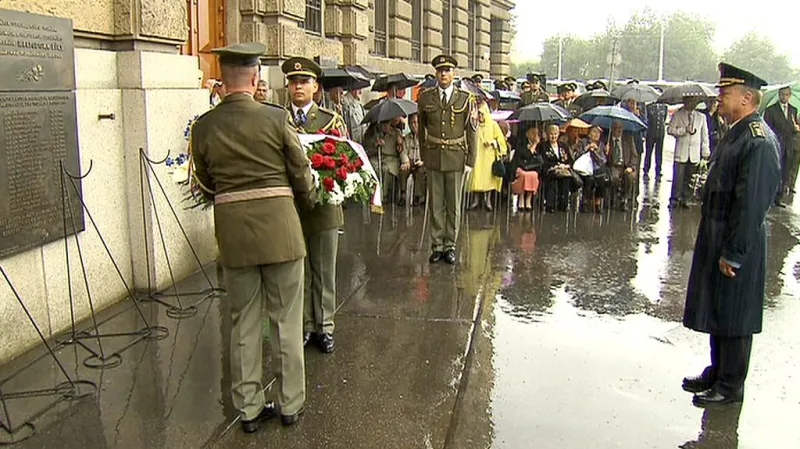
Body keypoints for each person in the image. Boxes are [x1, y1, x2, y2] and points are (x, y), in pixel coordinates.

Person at [191, 43, 314, 431]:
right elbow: (300, 171)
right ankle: (290, 403)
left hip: (235, 234)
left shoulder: (204, 126)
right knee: (286, 320)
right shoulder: (276, 120)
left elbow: (206, 182)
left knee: (243, 321)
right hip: (280, 230)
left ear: (223, 79)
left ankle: (248, 409)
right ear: (256, 75)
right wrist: (307, 198)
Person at [682, 63, 780, 407]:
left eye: (725, 93)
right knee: (719, 308)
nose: (719, 98)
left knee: (735, 314)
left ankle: (730, 385)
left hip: (737, 240)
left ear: (747, 98)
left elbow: (751, 205)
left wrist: (735, 251)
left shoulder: (758, 141)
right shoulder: (736, 131)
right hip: (718, 233)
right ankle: (718, 371)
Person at [282, 57, 347, 354]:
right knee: (300, 271)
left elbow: (345, 161)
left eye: (304, 82)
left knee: (323, 269)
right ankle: (306, 325)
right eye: (294, 82)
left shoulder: (331, 121)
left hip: (323, 205)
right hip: (290, 206)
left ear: (316, 87)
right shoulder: (277, 119)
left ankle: (325, 326)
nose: (298, 86)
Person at [417, 54, 477, 265]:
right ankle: (437, 246)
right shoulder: (425, 97)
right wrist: (424, 156)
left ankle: (450, 245)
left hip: (456, 157)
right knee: (436, 204)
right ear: (436, 73)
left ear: (454, 73)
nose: (444, 74)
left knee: (453, 205)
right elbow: (420, 130)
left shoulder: (465, 99)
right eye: (440, 71)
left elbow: (472, 131)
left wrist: (471, 160)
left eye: (447, 70)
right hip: (433, 156)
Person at [667, 96, 710, 208]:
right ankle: (675, 198)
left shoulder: (701, 117)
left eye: (694, 101)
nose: (692, 103)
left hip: (694, 153)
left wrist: (705, 152)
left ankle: (686, 198)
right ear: (685, 102)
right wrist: (683, 130)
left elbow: (704, 136)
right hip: (681, 152)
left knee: (690, 177)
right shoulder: (678, 115)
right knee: (678, 177)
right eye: (690, 101)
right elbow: (670, 130)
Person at [468, 102, 507, 211]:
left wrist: (493, 143)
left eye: (482, 114)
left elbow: (501, 142)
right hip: (477, 155)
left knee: (488, 178)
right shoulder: (474, 125)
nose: (480, 116)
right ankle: (475, 200)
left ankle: (488, 199)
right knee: (476, 177)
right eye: (478, 114)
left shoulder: (493, 125)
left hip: (489, 156)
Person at [763, 85, 800, 205]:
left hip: (788, 146)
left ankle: (778, 198)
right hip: (776, 144)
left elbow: (795, 128)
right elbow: (767, 128)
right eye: (782, 94)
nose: (784, 97)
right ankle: (770, 196)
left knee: (785, 172)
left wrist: (796, 128)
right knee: (774, 171)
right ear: (779, 95)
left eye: (786, 94)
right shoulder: (771, 110)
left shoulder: (793, 110)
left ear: (789, 95)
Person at [363, 119, 409, 204]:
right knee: (377, 169)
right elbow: (366, 150)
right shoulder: (371, 133)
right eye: (383, 124)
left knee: (386, 169)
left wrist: (405, 161)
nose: (385, 126)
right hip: (376, 157)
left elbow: (402, 150)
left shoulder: (396, 133)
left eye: (387, 124)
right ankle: (375, 194)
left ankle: (384, 195)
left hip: (391, 159)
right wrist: (375, 145)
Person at [540, 124, 574, 212]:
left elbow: (570, 160)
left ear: (558, 134)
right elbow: (543, 161)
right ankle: (550, 205)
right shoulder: (543, 146)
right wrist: (554, 167)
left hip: (563, 169)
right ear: (547, 134)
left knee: (566, 178)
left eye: (555, 134)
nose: (553, 136)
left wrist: (565, 166)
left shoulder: (563, 145)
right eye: (551, 134)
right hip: (550, 169)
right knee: (553, 178)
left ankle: (564, 204)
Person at [574, 125, 608, 212]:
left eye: (598, 133)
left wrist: (595, 152)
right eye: (594, 132)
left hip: (596, 169)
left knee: (601, 179)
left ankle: (597, 203)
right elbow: (577, 156)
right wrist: (587, 148)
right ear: (589, 134)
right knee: (589, 179)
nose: (597, 134)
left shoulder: (601, 145)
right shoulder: (582, 142)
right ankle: (584, 202)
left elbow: (603, 161)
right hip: (584, 170)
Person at [607, 120, 639, 211]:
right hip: (613, 165)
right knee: (614, 177)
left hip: (625, 165)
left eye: (620, 128)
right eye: (616, 128)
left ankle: (624, 199)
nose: (619, 130)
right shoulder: (607, 140)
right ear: (612, 129)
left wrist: (631, 167)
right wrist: (606, 151)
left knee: (630, 176)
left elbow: (634, 155)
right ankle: (614, 196)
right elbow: (604, 159)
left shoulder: (628, 139)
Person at [511, 126, 543, 211]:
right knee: (524, 175)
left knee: (533, 175)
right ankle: (521, 197)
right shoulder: (521, 144)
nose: (535, 136)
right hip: (520, 167)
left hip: (532, 168)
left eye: (537, 134)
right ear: (527, 134)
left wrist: (536, 145)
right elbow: (526, 156)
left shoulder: (540, 146)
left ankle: (528, 199)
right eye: (533, 133)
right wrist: (534, 144)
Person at [401, 113, 427, 206]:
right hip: (410, 161)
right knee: (403, 170)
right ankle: (403, 194)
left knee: (420, 172)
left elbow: (428, 152)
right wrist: (406, 161)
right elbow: (403, 151)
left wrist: (423, 161)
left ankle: (418, 196)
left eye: (416, 122)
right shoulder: (406, 138)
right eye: (412, 123)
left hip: (421, 163)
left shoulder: (425, 137)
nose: (414, 125)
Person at [643, 102, 668, 180]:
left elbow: (664, 119)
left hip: (660, 133)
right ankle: (646, 170)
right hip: (651, 132)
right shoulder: (649, 107)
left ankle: (658, 171)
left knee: (659, 153)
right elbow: (647, 119)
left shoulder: (664, 107)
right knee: (648, 152)